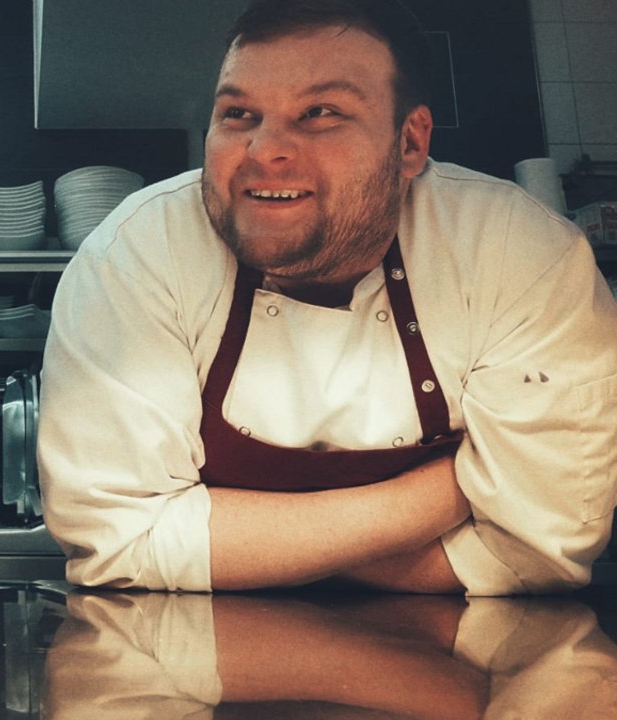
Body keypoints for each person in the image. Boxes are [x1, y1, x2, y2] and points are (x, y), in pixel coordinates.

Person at [38, 0, 617, 595]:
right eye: (238, 113)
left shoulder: (519, 255)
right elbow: (116, 542)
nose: (264, 150)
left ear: (411, 143)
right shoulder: (138, 254)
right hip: (198, 670)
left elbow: (536, 551)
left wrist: (219, 534)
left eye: (320, 112)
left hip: (462, 667)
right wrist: (445, 492)